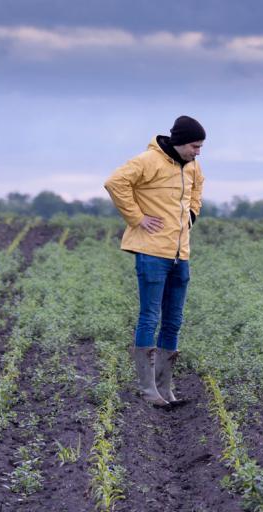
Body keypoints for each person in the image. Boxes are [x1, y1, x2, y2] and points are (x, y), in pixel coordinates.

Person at [104, 115, 205, 406]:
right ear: (180, 142)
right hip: (151, 253)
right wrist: (136, 218)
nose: (198, 152)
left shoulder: (193, 167)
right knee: (150, 317)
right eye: (194, 146)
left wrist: (192, 215)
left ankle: (166, 389)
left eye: (200, 147)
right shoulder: (149, 160)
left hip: (180, 254)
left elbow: (198, 190)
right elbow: (114, 183)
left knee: (174, 321)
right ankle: (149, 390)